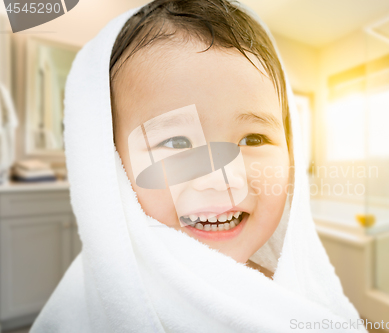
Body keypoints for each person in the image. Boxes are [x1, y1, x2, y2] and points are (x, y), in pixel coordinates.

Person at [31, 1, 367, 331]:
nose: (221, 179)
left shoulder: (297, 296)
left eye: (253, 139)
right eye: (177, 142)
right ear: (110, 164)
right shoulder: (84, 310)